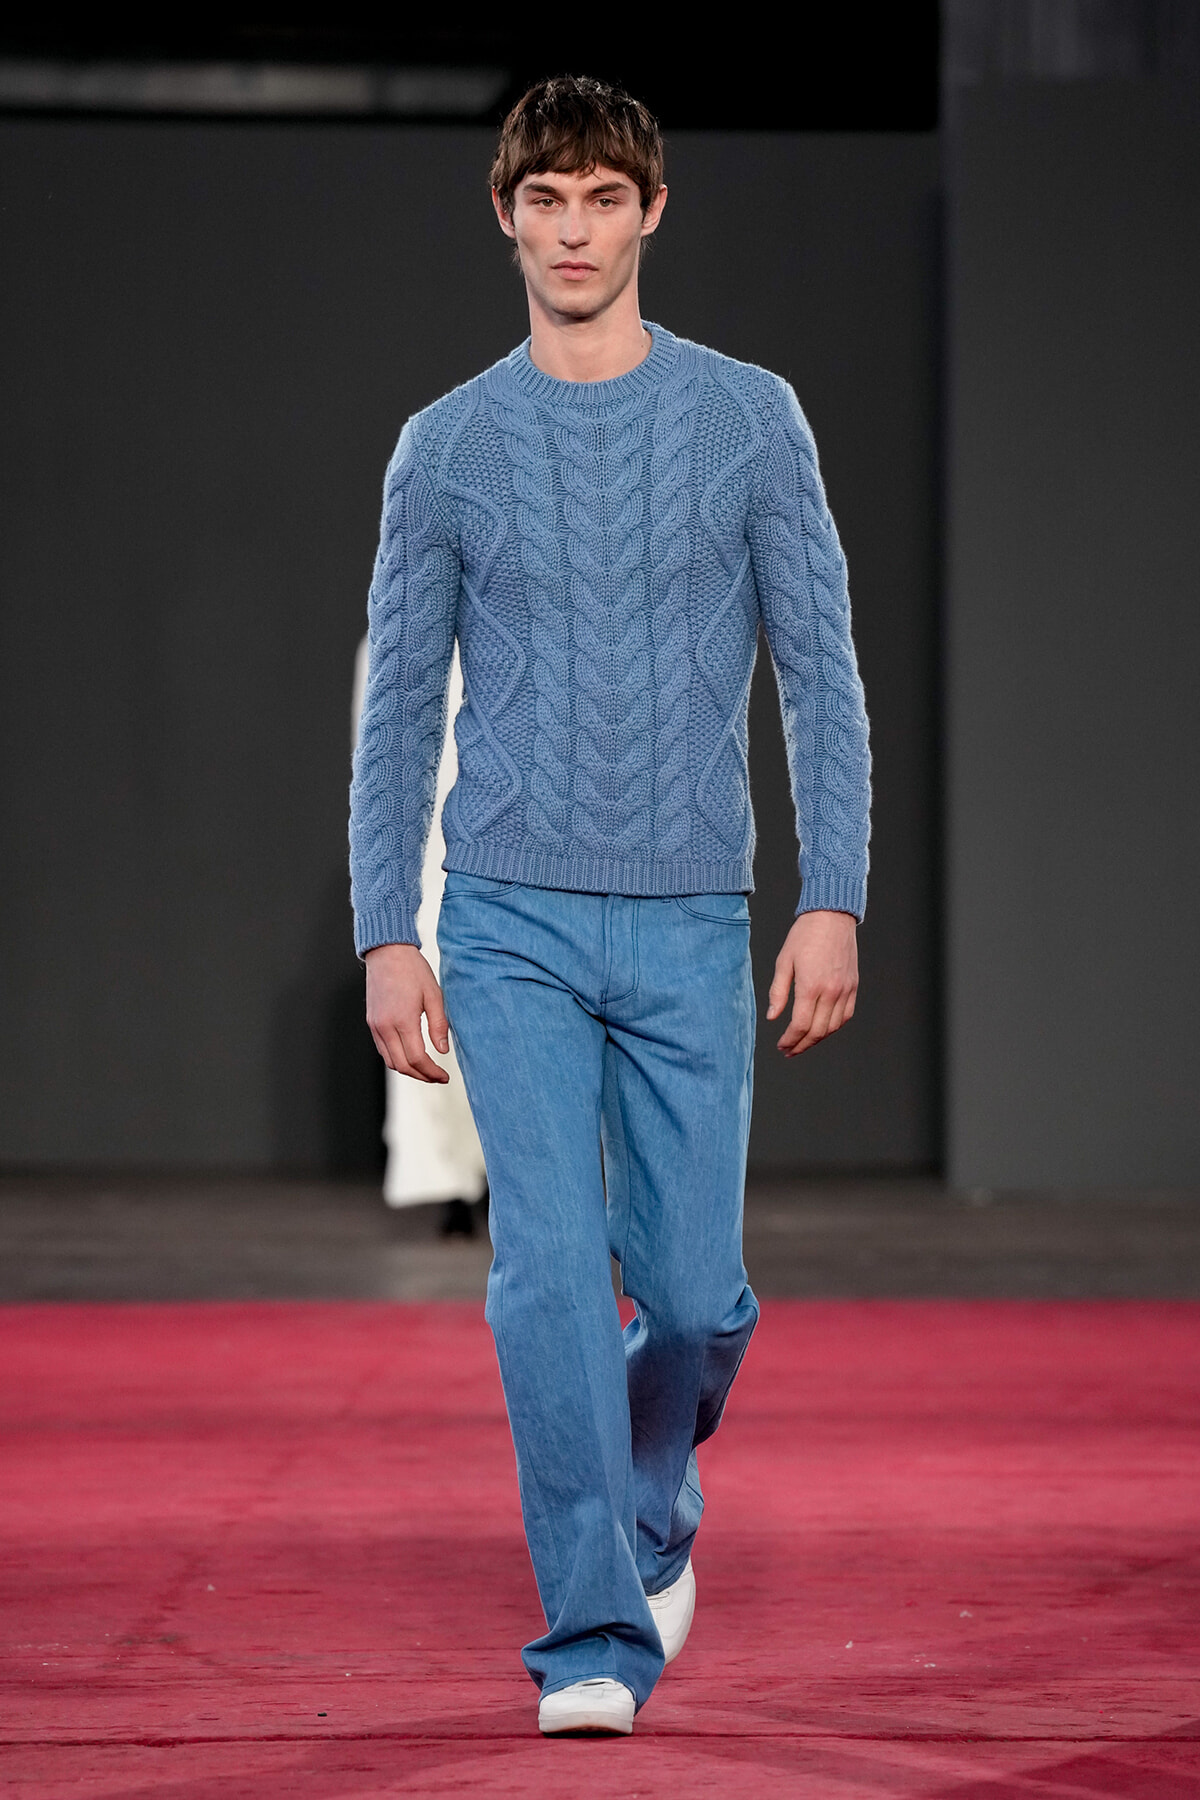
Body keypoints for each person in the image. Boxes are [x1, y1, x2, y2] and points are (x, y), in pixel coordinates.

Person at [349, 74, 871, 1737]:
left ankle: (650, 1510)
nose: (574, 229)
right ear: (505, 214)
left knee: (698, 1297)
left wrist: (835, 894)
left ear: (651, 210)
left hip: (691, 916)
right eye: (545, 198)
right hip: (506, 917)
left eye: (602, 197)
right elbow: (397, 709)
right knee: (551, 1278)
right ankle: (593, 1633)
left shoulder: (749, 419)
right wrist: (387, 927)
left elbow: (823, 673)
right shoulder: (446, 446)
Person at [351, 636, 488, 1230]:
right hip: (426, 859)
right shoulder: (396, 635)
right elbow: (375, 761)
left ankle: (493, 1177)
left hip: (508, 854)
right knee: (428, 1017)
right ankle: (452, 1184)